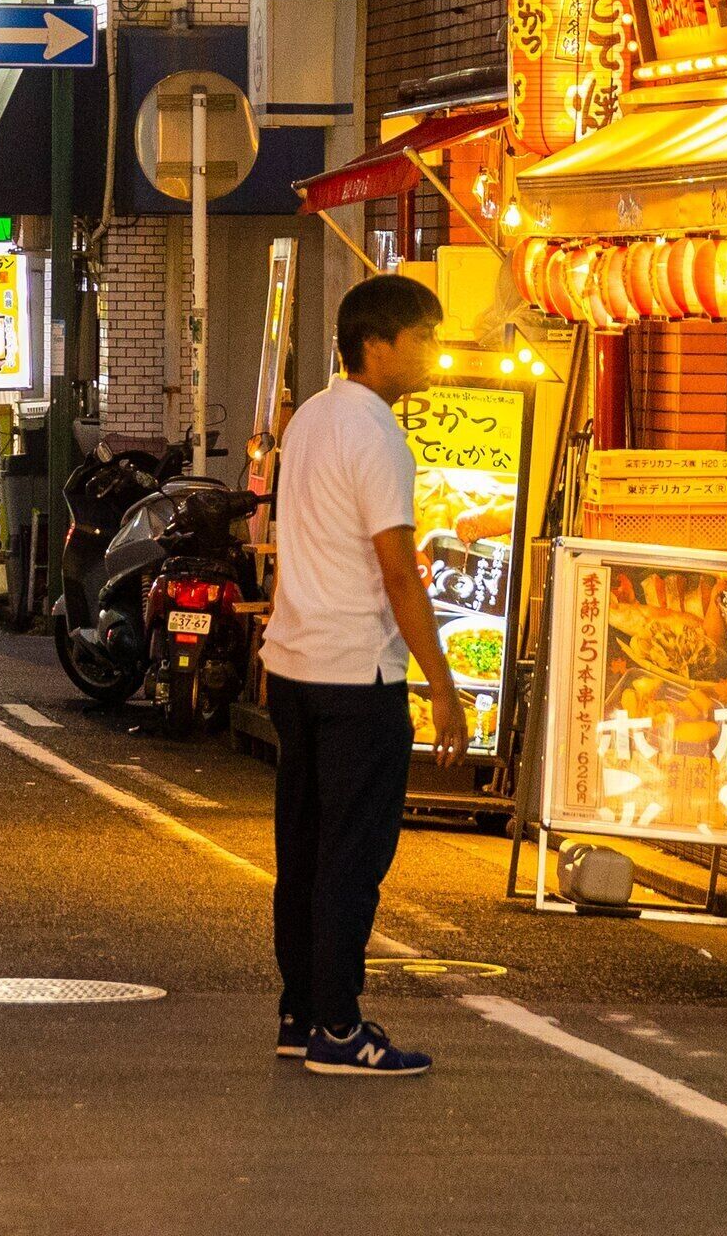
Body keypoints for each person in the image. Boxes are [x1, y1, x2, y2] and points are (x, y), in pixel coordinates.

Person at [256, 272, 467, 1079]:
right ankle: (340, 1029)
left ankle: (301, 1012)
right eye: (426, 339)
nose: (434, 354)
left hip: (295, 664)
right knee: (351, 854)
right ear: (377, 345)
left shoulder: (309, 418)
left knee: (304, 848)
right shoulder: (376, 432)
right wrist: (442, 685)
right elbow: (400, 573)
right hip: (355, 675)